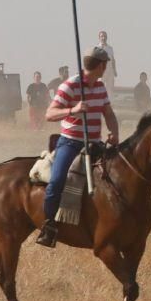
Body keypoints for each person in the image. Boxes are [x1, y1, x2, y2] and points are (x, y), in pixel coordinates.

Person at [38, 47, 119, 248]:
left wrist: (114, 131)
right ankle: (48, 227)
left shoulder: (100, 87)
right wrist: (73, 109)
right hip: (70, 142)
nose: (106, 67)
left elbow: (108, 113)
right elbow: (49, 114)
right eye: (106, 64)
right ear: (101, 65)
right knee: (56, 181)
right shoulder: (70, 86)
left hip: (95, 143)